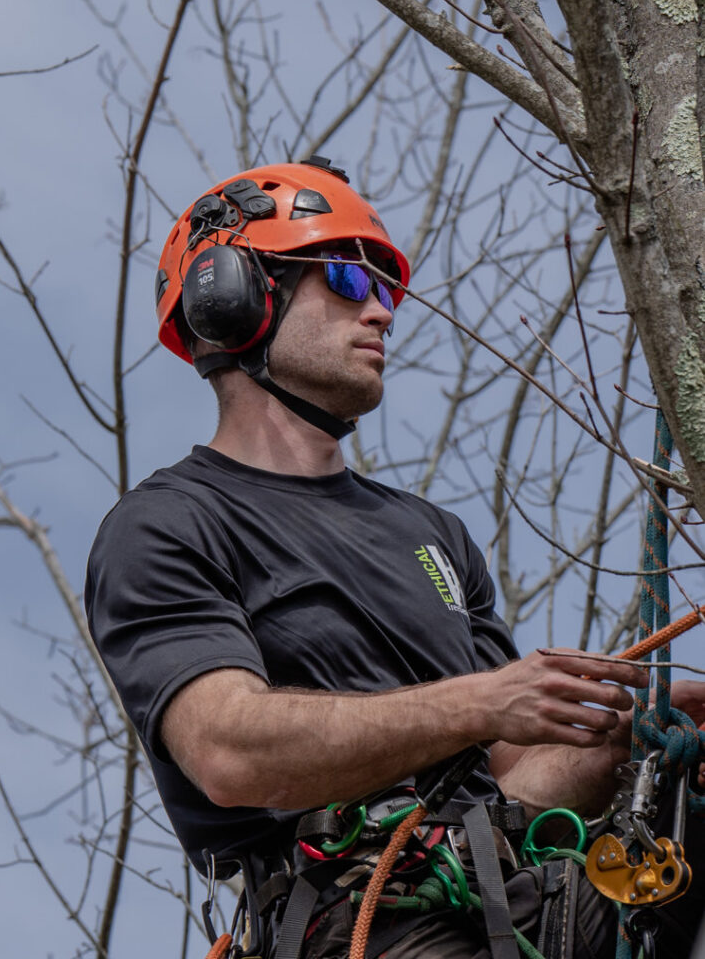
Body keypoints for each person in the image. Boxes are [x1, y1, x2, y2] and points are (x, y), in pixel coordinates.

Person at [85, 157, 705, 959]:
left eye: (388, 288)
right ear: (234, 298)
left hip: (508, 902)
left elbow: (506, 779)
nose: (380, 310)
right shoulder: (171, 523)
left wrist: (621, 735)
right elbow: (227, 751)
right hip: (358, 924)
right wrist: (480, 702)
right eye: (346, 277)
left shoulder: (431, 534)